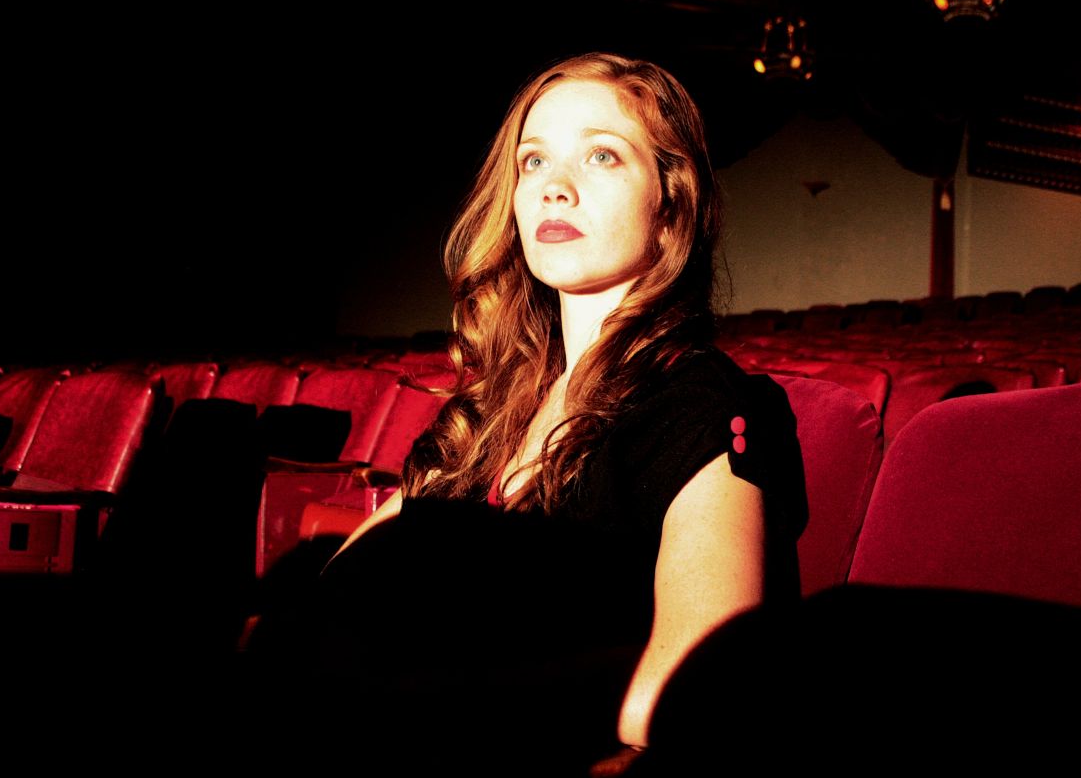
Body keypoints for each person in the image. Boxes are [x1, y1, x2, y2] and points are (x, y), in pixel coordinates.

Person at [249, 52, 806, 773]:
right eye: (534, 162)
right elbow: (351, 579)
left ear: (670, 208)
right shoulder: (499, 405)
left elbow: (687, 690)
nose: (555, 189)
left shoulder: (702, 404)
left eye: (602, 156)